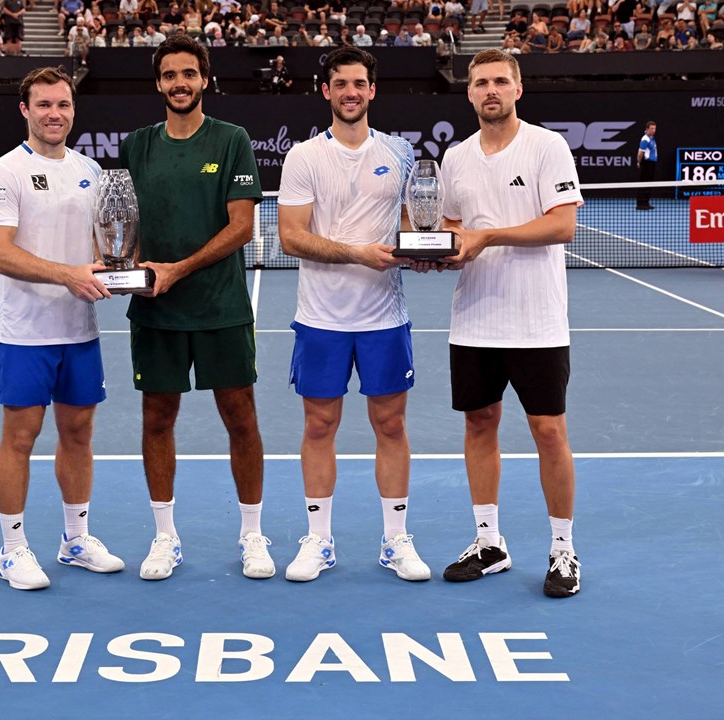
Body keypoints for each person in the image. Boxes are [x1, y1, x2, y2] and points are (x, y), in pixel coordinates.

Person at [117, 36, 274, 581]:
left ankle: (252, 534)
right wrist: (121, 265)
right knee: (157, 418)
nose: (179, 83)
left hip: (221, 308)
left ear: (204, 79)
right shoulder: (136, 145)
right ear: (157, 83)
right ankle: (164, 537)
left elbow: (242, 226)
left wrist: (176, 270)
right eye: (169, 75)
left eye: (189, 73)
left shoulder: (232, 140)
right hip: (154, 312)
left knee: (241, 419)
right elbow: (127, 229)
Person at [433, 49, 584, 598]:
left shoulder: (547, 146)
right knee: (479, 426)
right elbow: (450, 226)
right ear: (469, 94)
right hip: (473, 319)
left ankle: (563, 549)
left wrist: (487, 236)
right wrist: (441, 251)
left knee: (549, 432)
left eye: (501, 80)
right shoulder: (456, 158)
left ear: (518, 89)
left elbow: (563, 225)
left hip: (537, 321)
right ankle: (489, 542)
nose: (490, 90)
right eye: (481, 83)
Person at [276, 47, 430, 584]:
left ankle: (395, 540)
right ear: (326, 90)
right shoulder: (303, 157)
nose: (350, 92)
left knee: (391, 424)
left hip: (385, 317)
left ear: (372, 91)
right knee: (320, 425)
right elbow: (291, 236)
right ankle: (318, 540)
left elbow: (414, 222)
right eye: (340, 83)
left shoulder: (401, 152)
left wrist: (421, 252)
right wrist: (356, 252)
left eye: (359, 83)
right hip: (321, 318)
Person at [0, 66, 125, 591]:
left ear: (73, 110)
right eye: (43, 105)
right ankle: (13, 549)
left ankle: (75, 540)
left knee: (79, 434)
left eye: (62, 104)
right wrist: (67, 275)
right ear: (25, 110)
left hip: (79, 330)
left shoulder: (93, 173)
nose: (54, 114)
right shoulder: (3, 173)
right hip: (24, 333)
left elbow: (102, 248)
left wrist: (127, 270)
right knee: (20, 437)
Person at [636, 119, 657, 209]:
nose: (653, 130)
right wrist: (639, 162)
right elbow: (640, 153)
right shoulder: (645, 139)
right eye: (651, 128)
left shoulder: (651, 138)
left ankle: (646, 203)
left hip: (651, 164)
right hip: (646, 163)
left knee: (649, 184)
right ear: (647, 129)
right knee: (644, 184)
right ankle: (640, 204)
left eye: (654, 129)